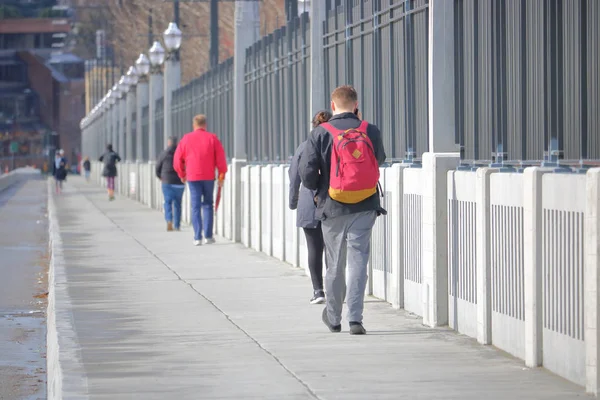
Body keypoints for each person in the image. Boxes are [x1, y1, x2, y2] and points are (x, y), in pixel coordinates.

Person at [299, 85, 386, 335]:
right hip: (366, 204)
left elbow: (306, 172)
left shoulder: (320, 132)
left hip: (333, 206)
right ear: (356, 105)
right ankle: (356, 320)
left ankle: (334, 318)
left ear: (333, 105)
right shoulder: (369, 129)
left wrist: (318, 192)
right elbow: (379, 159)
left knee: (335, 263)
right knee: (359, 261)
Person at [289, 110, 332, 305]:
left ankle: (318, 291)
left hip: (308, 203)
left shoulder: (304, 147)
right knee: (333, 248)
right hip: (333, 202)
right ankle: (335, 289)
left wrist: (293, 201)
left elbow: (294, 177)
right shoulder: (335, 146)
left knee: (314, 248)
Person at [174, 114, 227, 246]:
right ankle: (208, 236)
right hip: (209, 176)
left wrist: (182, 174)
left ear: (194, 125)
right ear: (205, 125)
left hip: (192, 176)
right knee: (208, 204)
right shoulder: (212, 138)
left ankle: (197, 237)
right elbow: (220, 159)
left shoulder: (186, 139)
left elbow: (177, 159)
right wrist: (221, 175)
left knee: (195, 206)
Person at [156, 136, 185, 232]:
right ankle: (177, 225)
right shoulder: (181, 154)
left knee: (167, 202)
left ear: (168, 143)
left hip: (167, 181)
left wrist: (160, 177)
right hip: (179, 182)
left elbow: (157, 168)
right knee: (177, 204)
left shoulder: (163, 154)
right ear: (177, 144)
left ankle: (169, 220)